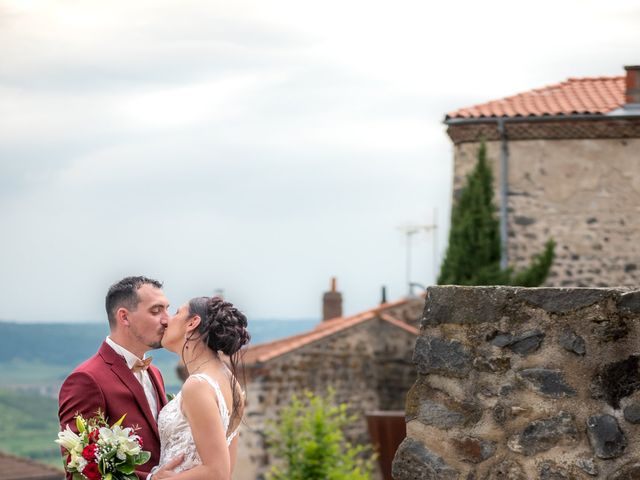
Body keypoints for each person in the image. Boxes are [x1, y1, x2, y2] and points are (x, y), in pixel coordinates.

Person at [58, 276, 182, 480]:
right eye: (155, 310)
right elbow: (79, 469)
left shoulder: (155, 373)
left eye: (167, 309)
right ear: (124, 317)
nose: (167, 319)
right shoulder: (86, 379)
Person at [153, 295, 250, 480]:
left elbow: (218, 473)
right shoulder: (232, 384)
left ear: (192, 323)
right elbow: (227, 470)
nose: (166, 321)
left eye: (176, 313)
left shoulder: (197, 385)